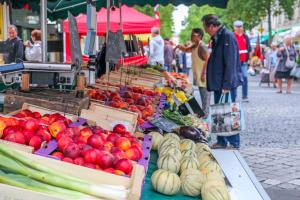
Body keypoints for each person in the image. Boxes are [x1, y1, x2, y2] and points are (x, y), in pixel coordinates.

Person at [201, 14, 242, 149]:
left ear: (212, 26)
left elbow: (230, 62)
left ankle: (234, 142)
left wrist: (227, 84)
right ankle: (222, 141)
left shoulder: (227, 36)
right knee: (220, 111)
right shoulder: (218, 37)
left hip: (225, 83)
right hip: (220, 82)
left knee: (229, 111)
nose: (205, 31)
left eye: (206, 28)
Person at [177, 28, 211, 118]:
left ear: (199, 36)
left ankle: (205, 115)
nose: (191, 37)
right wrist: (179, 46)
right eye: (191, 35)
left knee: (205, 96)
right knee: (202, 95)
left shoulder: (202, 46)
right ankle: (204, 113)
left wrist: (204, 73)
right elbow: (186, 49)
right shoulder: (194, 46)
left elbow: (208, 59)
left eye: (193, 35)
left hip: (203, 75)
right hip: (198, 75)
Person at [233, 21, 251, 101]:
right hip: (235, 62)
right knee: (235, 78)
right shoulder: (232, 36)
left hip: (244, 61)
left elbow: (249, 49)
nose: (239, 28)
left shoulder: (245, 37)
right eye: (237, 27)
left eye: (240, 26)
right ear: (234, 27)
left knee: (245, 77)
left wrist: (250, 59)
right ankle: (234, 96)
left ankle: (244, 96)